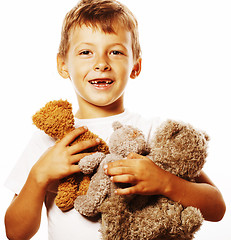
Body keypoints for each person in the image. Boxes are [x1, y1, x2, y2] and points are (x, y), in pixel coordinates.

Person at [5, 0, 226, 239]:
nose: (101, 63)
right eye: (86, 52)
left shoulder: (152, 132)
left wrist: (166, 183)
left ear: (135, 66)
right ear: (63, 64)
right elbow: (16, 233)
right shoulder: (47, 143)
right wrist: (39, 176)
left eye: (116, 52)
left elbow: (217, 208)